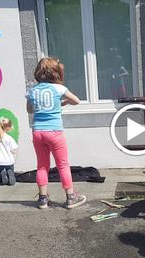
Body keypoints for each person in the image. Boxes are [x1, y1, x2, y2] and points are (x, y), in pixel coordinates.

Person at [26, 57, 86, 209]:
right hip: (54, 132)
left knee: (42, 166)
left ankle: (42, 199)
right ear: (55, 73)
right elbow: (77, 101)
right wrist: (62, 103)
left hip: (38, 132)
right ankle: (71, 197)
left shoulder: (32, 91)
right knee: (63, 165)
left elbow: (30, 110)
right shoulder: (59, 89)